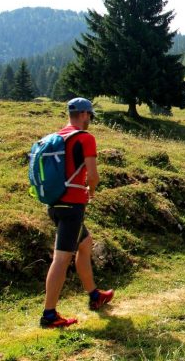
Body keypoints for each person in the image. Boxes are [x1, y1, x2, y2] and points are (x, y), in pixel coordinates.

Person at [40, 98, 114, 328]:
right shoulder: (85, 138)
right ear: (83, 114)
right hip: (72, 206)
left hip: (55, 204)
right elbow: (93, 175)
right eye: (90, 116)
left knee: (85, 243)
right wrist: (91, 193)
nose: (90, 120)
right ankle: (49, 315)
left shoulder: (57, 137)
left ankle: (94, 295)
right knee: (61, 259)